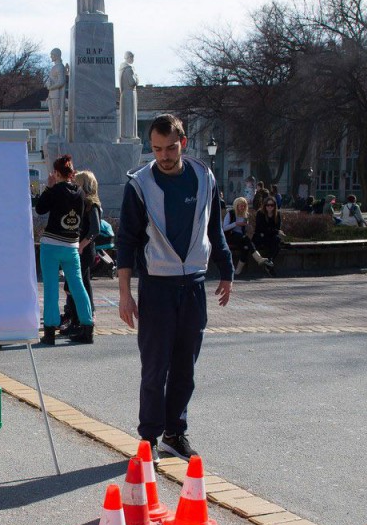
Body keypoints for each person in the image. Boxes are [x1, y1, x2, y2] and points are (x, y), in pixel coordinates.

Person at [116, 114, 233, 461]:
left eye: (169, 148)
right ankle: (148, 438)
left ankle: (174, 433)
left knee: (185, 367)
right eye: (156, 149)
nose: (163, 156)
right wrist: (124, 294)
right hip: (157, 286)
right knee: (155, 367)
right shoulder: (139, 185)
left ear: (183, 143)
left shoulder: (204, 177)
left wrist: (226, 270)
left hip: (193, 283)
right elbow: (126, 241)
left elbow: (215, 228)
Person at [35, 154, 94, 345]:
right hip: (72, 245)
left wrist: (49, 187)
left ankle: (50, 332)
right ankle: (87, 327)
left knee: (51, 287)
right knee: (78, 285)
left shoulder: (55, 190)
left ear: (57, 173)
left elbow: (40, 209)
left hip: (52, 244)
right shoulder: (80, 193)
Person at [61, 170, 102, 335]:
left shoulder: (92, 204)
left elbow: (95, 229)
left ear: (83, 185)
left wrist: (82, 245)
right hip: (82, 250)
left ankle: (77, 320)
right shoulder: (84, 203)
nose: (73, 185)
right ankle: (84, 318)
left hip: (84, 252)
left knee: (72, 286)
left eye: (76, 183)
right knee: (83, 284)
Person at [223, 197, 275, 276]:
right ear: (236, 205)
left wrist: (248, 226)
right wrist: (236, 224)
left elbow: (244, 230)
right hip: (231, 236)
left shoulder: (245, 215)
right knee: (246, 239)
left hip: (241, 237)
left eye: (244, 206)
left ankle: (237, 271)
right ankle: (258, 258)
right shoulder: (231, 213)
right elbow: (224, 228)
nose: (242, 208)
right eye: (241, 206)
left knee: (246, 248)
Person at [252, 195, 284, 264]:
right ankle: (269, 262)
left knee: (277, 241)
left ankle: (269, 261)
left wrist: (274, 231)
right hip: (260, 236)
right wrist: (275, 231)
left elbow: (277, 228)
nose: (269, 207)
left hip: (270, 236)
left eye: (272, 205)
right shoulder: (260, 213)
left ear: (275, 206)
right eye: (268, 205)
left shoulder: (277, 214)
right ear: (265, 205)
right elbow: (261, 228)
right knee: (273, 243)